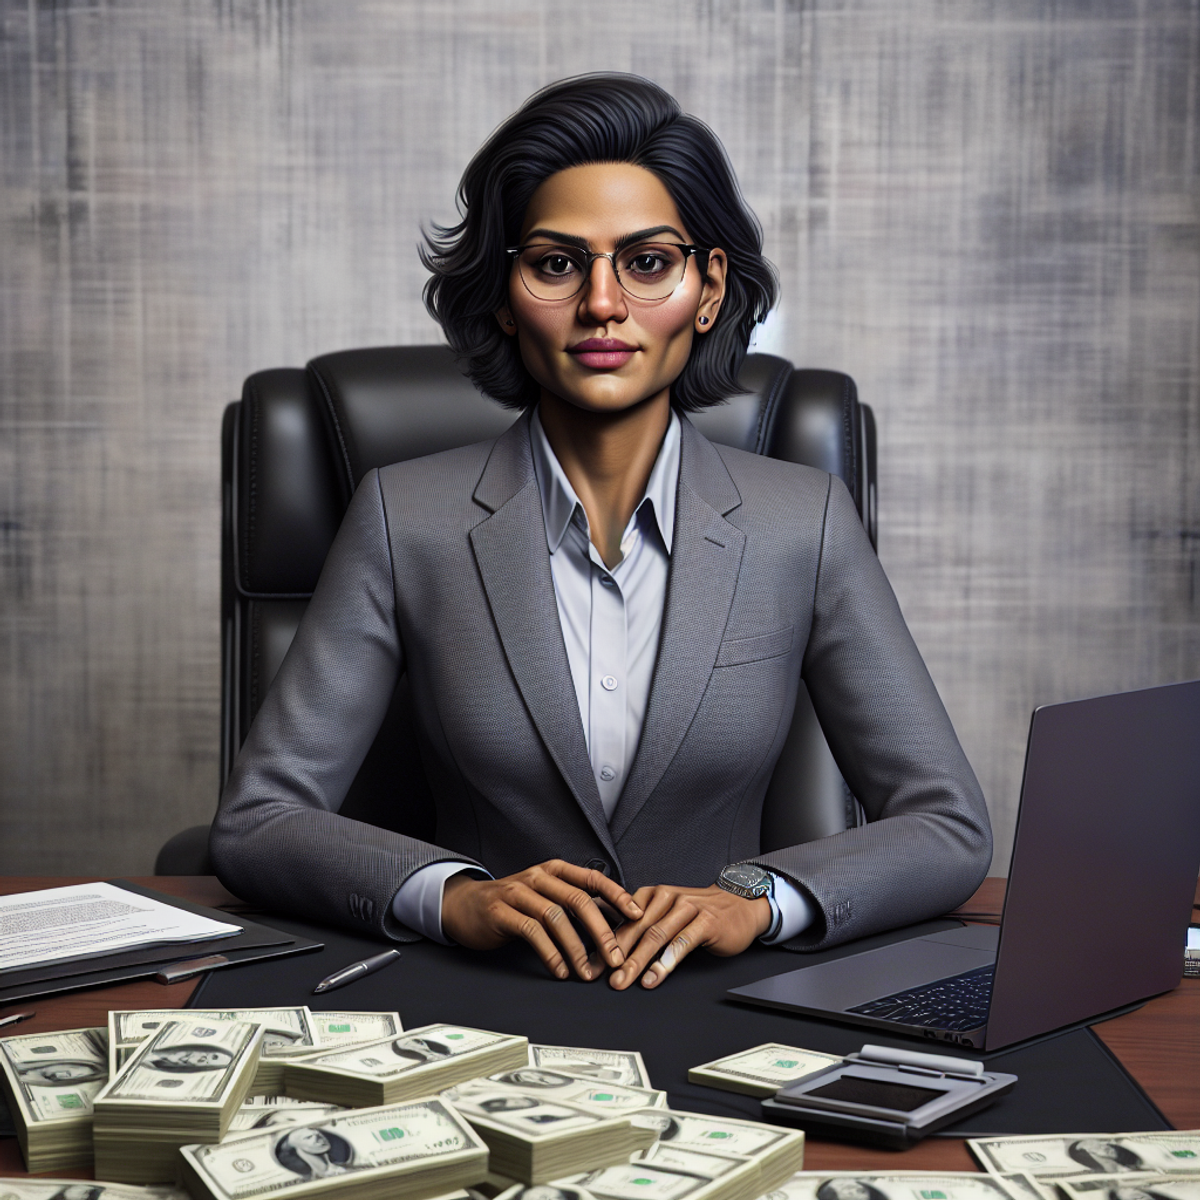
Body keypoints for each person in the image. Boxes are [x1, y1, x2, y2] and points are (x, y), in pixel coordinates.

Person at [211, 72, 991, 990]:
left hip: (728, 1009)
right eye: (556, 263)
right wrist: (452, 895)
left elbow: (948, 824)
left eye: (648, 262)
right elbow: (259, 819)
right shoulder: (401, 518)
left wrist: (757, 899)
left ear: (708, 289)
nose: (603, 305)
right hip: (481, 1004)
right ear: (504, 296)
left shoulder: (804, 524)